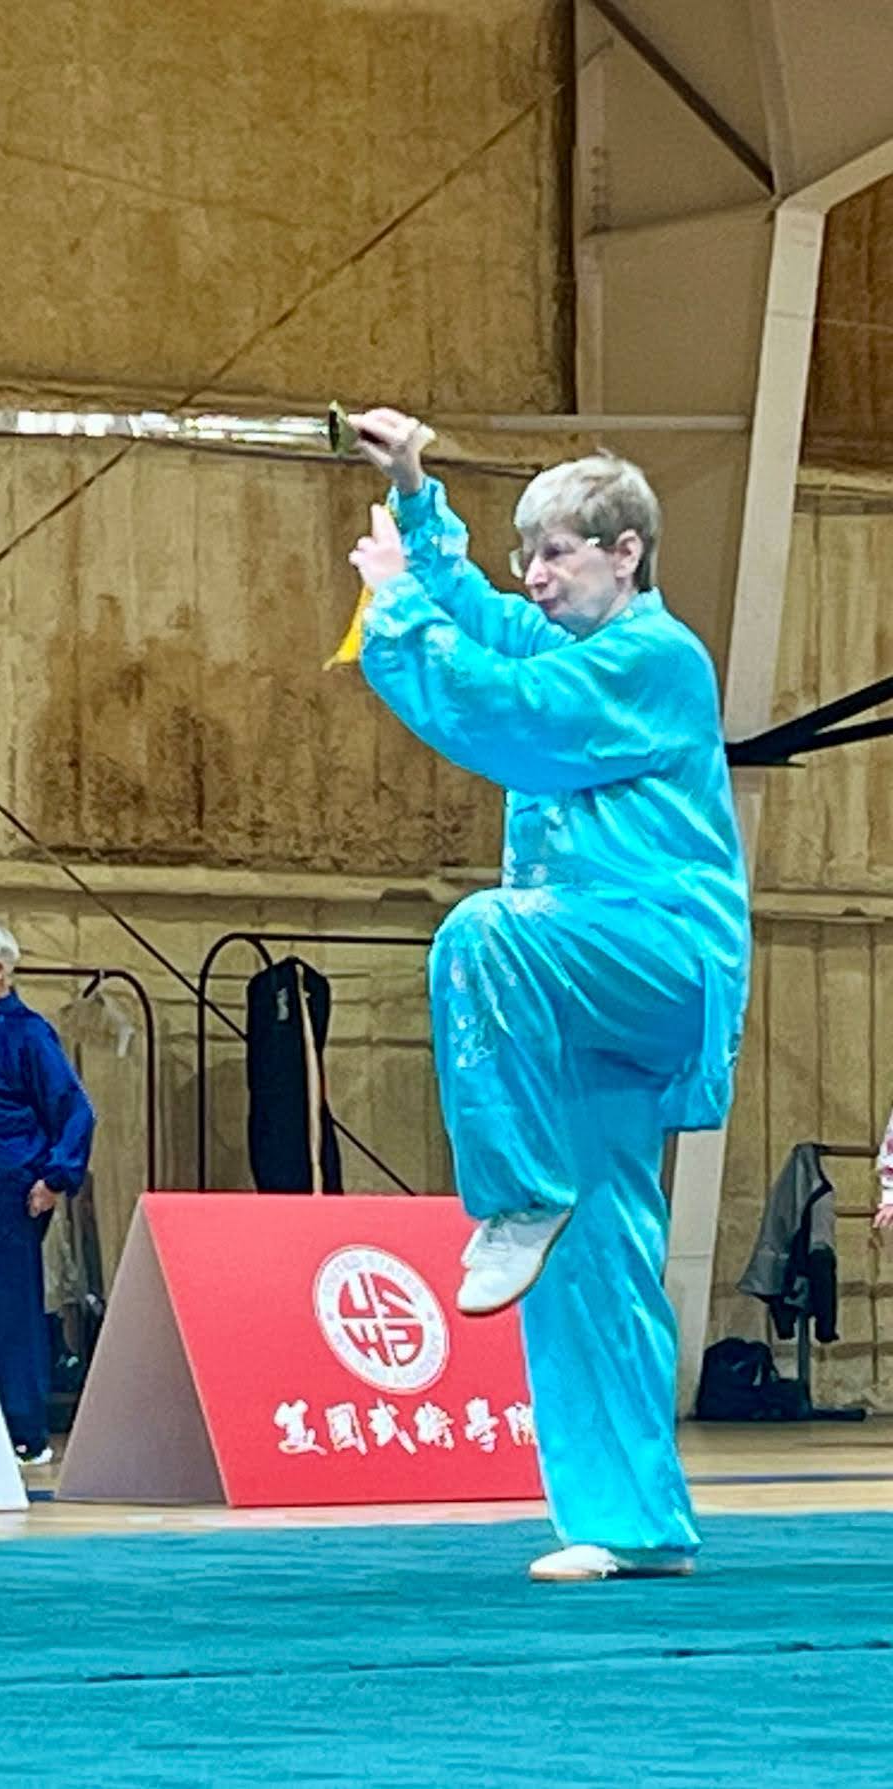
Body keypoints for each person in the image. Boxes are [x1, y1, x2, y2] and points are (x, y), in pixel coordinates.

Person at [346, 409, 750, 1583]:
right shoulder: (571, 642)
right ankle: (634, 1524)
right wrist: (414, 493)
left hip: (653, 953)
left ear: (625, 553)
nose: (532, 573)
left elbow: (504, 713)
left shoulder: (652, 660)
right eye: (527, 552)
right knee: (597, 1251)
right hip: (578, 985)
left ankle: (514, 1194)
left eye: (555, 553)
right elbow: (481, 617)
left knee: (479, 933)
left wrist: (394, 611)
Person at [0, 918, 95, 1466]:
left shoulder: (28, 1034)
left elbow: (76, 1110)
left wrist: (55, 1177)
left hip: (7, 1197)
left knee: (10, 1308)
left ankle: (24, 1431)